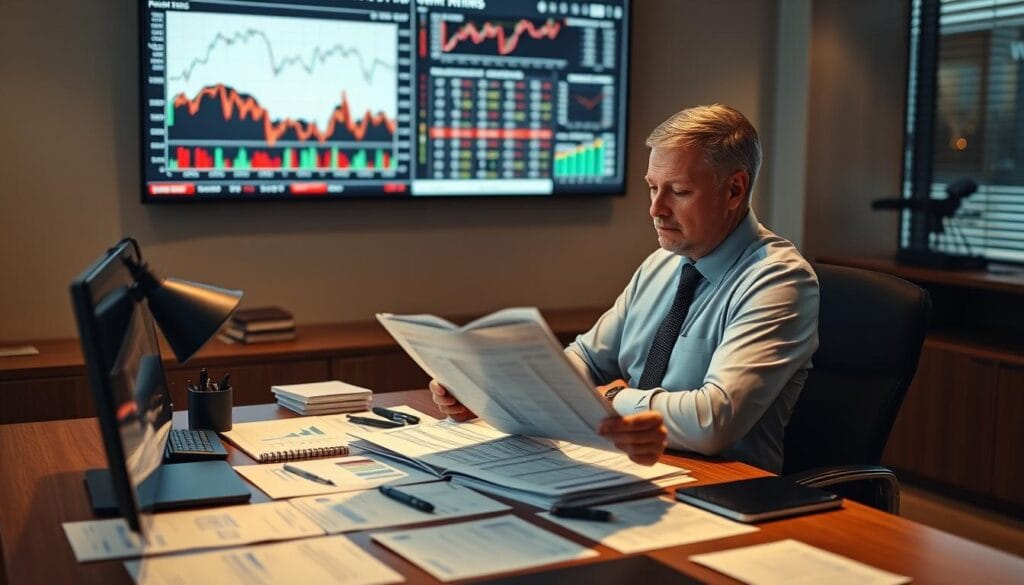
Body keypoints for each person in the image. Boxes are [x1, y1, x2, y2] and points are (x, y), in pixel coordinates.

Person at [431, 104, 819, 472]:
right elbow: (586, 358)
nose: (656, 208)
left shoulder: (778, 281)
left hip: (720, 489)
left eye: (679, 192)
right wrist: (493, 393)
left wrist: (613, 399)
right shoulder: (662, 263)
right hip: (632, 466)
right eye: (653, 188)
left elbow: (712, 421)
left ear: (734, 190)